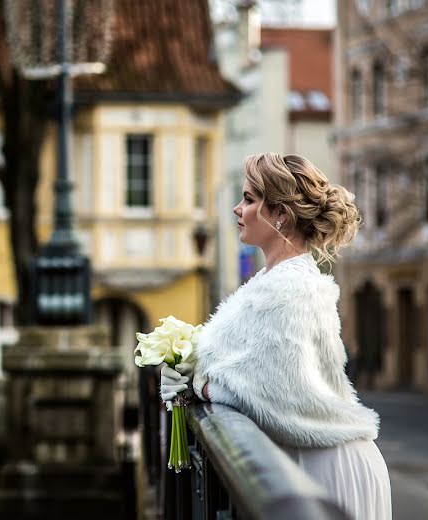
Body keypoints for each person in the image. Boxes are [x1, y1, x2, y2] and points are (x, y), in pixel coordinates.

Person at [160, 153, 392, 519]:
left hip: (325, 468)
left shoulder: (291, 287)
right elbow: (251, 363)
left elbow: (276, 386)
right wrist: (188, 368)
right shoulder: (274, 281)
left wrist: (202, 386)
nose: (238, 209)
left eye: (249, 199)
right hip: (307, 463)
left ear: (279, 213)